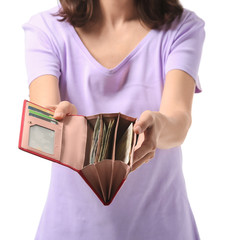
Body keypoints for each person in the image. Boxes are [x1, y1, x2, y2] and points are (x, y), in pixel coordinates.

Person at [22, 0, 205, 239]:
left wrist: (158, 128)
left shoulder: (183, 27)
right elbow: (43, 115)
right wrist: (57, 118)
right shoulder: (46, 28)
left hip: (162, 227)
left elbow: (179, 119)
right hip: (69, 228)